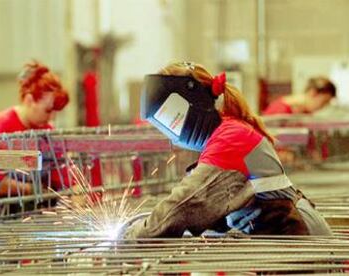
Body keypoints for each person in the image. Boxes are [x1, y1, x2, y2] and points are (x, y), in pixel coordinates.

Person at [124, 62, 332, 239]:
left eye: (170, 119)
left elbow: (186, 202)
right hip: (292, 238)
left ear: (190, 100)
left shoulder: (230, 138)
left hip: (300, 241)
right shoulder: (228, 130)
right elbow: (212, 207)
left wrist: (132, 236)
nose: (173, 131)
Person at [0, 60, 70, 196]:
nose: (52, 118)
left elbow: (63, 176)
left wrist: (75, 192)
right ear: (29, 100)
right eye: (48, 110)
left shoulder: (47, 133)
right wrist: (31, 190)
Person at [263, 77, 336, 115]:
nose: (322, 107)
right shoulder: (279, 111)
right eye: (324, 102)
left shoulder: (304, 113)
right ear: (313, 93)